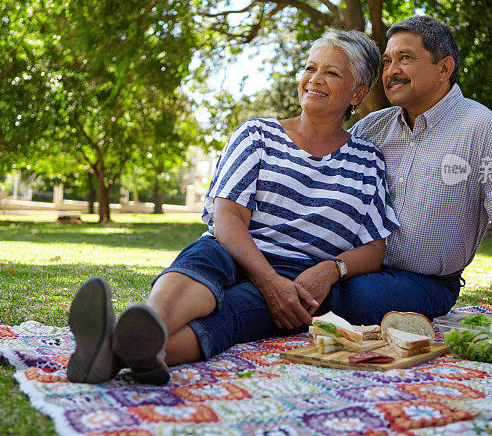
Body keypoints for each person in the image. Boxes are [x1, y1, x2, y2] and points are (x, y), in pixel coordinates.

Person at [65, 29, 399, 385]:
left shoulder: (367, 162)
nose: (314, 80)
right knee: (204, 260)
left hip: (293, 279)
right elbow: (227, 217)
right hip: (231, 248)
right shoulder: (256, 135)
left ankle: (114, 352)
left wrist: (331, 270)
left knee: (234, 315)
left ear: (358, 92)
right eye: (310, 67)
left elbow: (374, 248)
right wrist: (266, 279)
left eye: (332, 73)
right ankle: (151, 324)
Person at [322, 14, 492, 326]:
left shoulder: (484, 131)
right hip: (353, 265)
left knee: (356, 296)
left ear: (444, 68)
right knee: (294, 273)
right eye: (387, 61)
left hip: (424, 284)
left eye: (405, 58)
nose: (391, 71)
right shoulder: (371, 129)